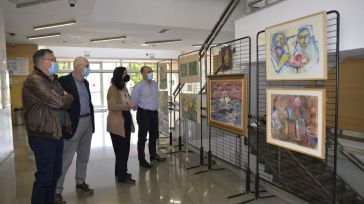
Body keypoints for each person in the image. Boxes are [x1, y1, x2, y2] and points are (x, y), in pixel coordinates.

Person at [22, 49, 74, 204]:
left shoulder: (52, 80)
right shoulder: (35, 80)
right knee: (45, 176)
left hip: (55, 133)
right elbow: (59, 101)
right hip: (43, 134)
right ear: (42, 62)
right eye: (52, 59)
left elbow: (61, 99)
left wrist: (64, 97)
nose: (56, 62)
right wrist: (67, 96)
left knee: (54, 173)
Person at [55, 57, 95, 204]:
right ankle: (57, 191)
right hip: (73, 123)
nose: (88, 68)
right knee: (66, 159)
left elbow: (88, 102)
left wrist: (91, 122)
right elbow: (60, 102)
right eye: (87, 66)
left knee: (84, 156)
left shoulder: (85, 82)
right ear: (78, 66)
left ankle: (80, 182)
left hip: (87, 122)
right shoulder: (63, 81)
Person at [131, 66, 166, 169]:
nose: (151, 73)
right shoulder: (138, 86)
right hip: (143, 114)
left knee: (154, 136)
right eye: (148, 72)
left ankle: (153, 155)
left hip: (154, 113)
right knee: (142, 138)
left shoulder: (155, 84)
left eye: (151, 71)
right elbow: (133, 102)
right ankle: (141, 160)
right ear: (142, 74)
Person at [107, 66, 136, 184]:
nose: (126, 75)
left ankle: (120, 172)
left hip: (126, 119)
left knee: (124, 149)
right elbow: (112, 106)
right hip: (117, 122)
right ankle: (122, 176)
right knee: (121, 150)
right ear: (119, 75)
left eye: (126, 73)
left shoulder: (123, 87)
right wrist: (127, 106)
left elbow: (128, 100)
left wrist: (131, 104)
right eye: (124, 73)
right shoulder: (112, 89)